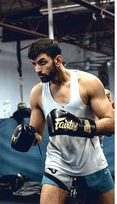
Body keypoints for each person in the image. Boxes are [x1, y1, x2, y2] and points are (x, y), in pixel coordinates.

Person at [11, 38, 114, 204]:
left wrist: (78, 126)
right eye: (34, 64)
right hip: (58, 162)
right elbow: (37, 133)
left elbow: (111, 123)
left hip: (91, 161)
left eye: (42, 62)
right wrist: (28, 137)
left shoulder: (87, 83)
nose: (37, 69)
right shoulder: (37, 93)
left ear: (58, 60)